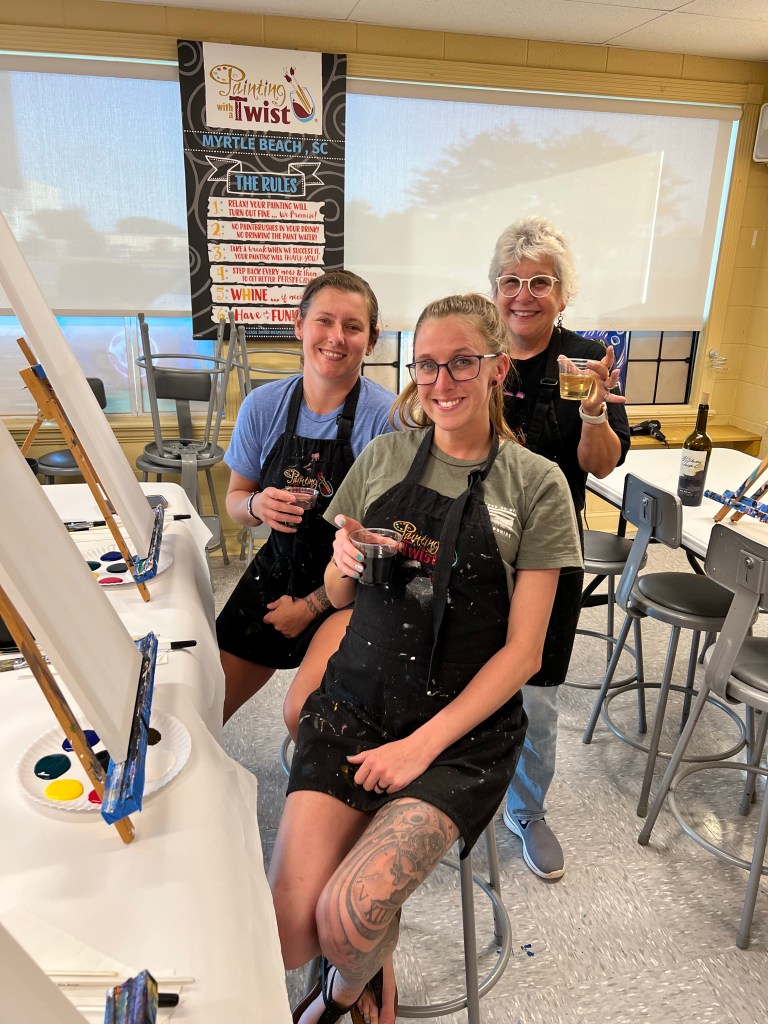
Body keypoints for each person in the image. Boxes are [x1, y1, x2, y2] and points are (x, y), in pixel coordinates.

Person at [268, 293, 582, 1024]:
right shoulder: (383, 457)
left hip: (459, 731)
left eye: (462, 362)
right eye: (427, 365)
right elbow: (338, 594)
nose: (442, 382)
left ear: (497, 367)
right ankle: (364, 948)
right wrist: (344, 558)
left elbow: (524, 653)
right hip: (357, 700)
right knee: (288, 933)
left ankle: (344, 988)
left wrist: (419, 748)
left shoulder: (536, 484)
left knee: (346, 916)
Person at [490, 215, 630, 880]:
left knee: (538, 690)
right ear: (494, 290)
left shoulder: (581, 361)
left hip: (551, 549)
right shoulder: (475, 351)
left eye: (540, 282)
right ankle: (451, 790)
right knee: (453, 670)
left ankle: (526, 809)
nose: (524, 295)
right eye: (510, 281)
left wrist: (594, 411)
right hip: (474, 544)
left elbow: (600, 464)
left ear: (563, 293)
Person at [216, 270, 395, 723]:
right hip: (280, 567)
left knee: (307, 716)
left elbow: (384, 545)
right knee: (207, 701)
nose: (336, 337)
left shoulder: (387, 420)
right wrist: (256, 505)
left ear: (371, 341)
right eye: (324, 321)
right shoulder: (263, 406)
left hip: (356, 589)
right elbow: (236, 500)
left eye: (353, 327)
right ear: (299, 326)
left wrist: (311, 606)